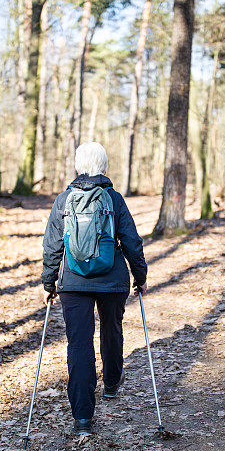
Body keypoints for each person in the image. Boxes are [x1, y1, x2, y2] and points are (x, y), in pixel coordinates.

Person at [42, 142, 148, 435]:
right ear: (104, 166)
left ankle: (83, 418)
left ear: (78, 166)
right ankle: (112, 383)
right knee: (112, 329)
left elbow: (52, 245)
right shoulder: (113, 199)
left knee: (79, 343)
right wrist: (140, 275)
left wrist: (49, 282)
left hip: (73, 281)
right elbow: (130, 240)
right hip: (112, 279)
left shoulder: (64, 200)